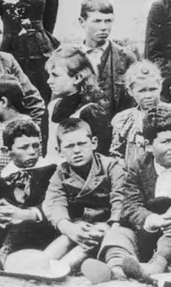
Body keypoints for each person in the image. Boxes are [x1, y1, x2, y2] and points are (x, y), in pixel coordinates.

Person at [96, 109, 171, 282]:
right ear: (149, 145)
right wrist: (152, 220)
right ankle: (117, 270)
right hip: (151, 229)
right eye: (166, 142)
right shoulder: (138, 165)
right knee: (119, 233)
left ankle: (154, 267)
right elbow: (130, 204)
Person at [41, 117, 118, 275]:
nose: (76, 150)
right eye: (69, 146)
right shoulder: (61, 173)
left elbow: (120, 197)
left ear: (94, 143)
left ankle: (62, 268)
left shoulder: (110, 166)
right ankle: (40, 265)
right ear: (59, 151)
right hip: (79, 225)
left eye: (82, 144)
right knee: (65, 239)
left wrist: (113, 225)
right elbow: (54, 202)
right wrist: (68, 227)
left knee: (90, 240)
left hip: (107, 225)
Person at [0, 117, 57, 253]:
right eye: (24, 147)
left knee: (19, 218)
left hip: (39, 233)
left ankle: (4, 254)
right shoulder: (0, 180)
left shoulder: (52, 173)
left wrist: (25, 214)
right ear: (6, 151)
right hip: (2, 233)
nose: (32, 152)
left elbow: (52, 204)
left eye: (36, 145)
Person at [71, 0, 138, 115]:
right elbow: (56, 104)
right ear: (82, 22)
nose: (104, 27)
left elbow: (137, 99)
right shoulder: (70, 58)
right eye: (97, 21)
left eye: (108, 21)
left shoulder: (126, 57)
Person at [44, 48, 112, 158]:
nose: (49, 81)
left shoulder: (89, 111)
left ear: (77, 78)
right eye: (49, 75)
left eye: (55, 75)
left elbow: (99, 154)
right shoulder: (52, 107)